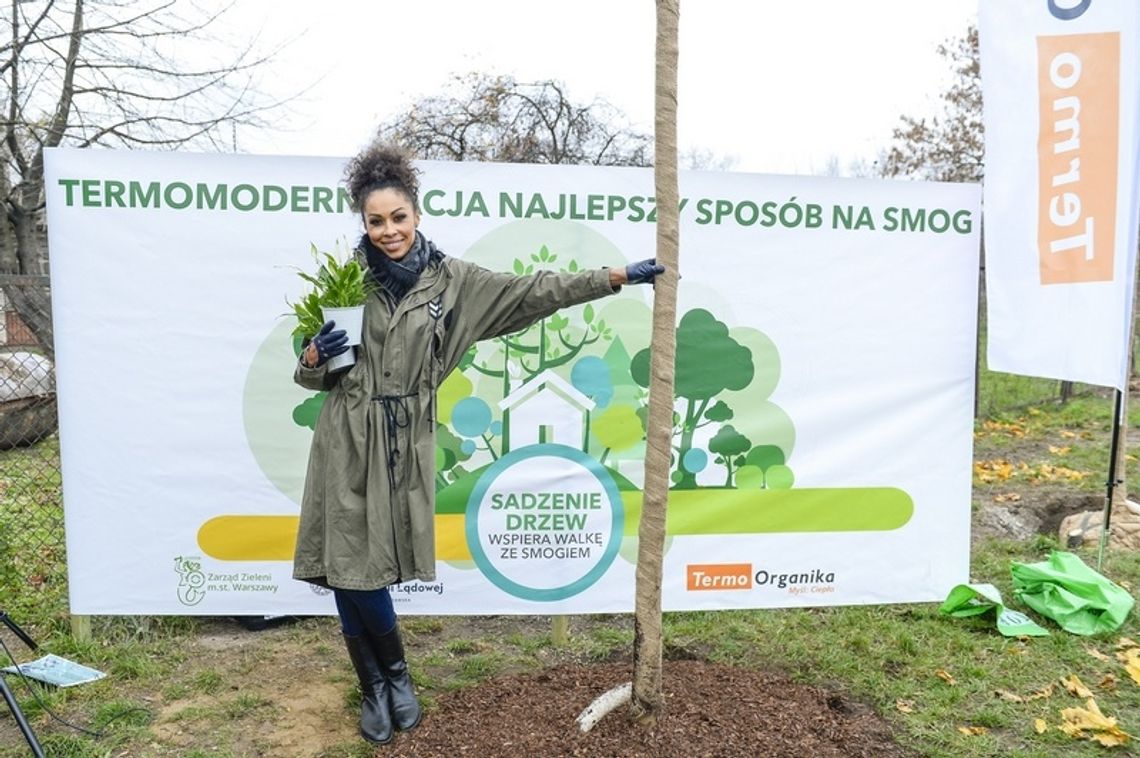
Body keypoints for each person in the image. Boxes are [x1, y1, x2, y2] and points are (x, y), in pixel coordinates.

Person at [292, 142, 664, 746]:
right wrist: (313, 356)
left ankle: (394, 681)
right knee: (348, 568)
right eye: (375, 221)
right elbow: (313, 373)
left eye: (398, 217)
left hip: (404, 438)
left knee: (365, 569)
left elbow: (533, 292)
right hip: (346, 437)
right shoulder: (345, 281)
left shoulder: (455, 283)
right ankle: (380, 687)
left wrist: (614, 277)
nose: (389, 231)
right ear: (362, 222)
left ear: (417, 213)